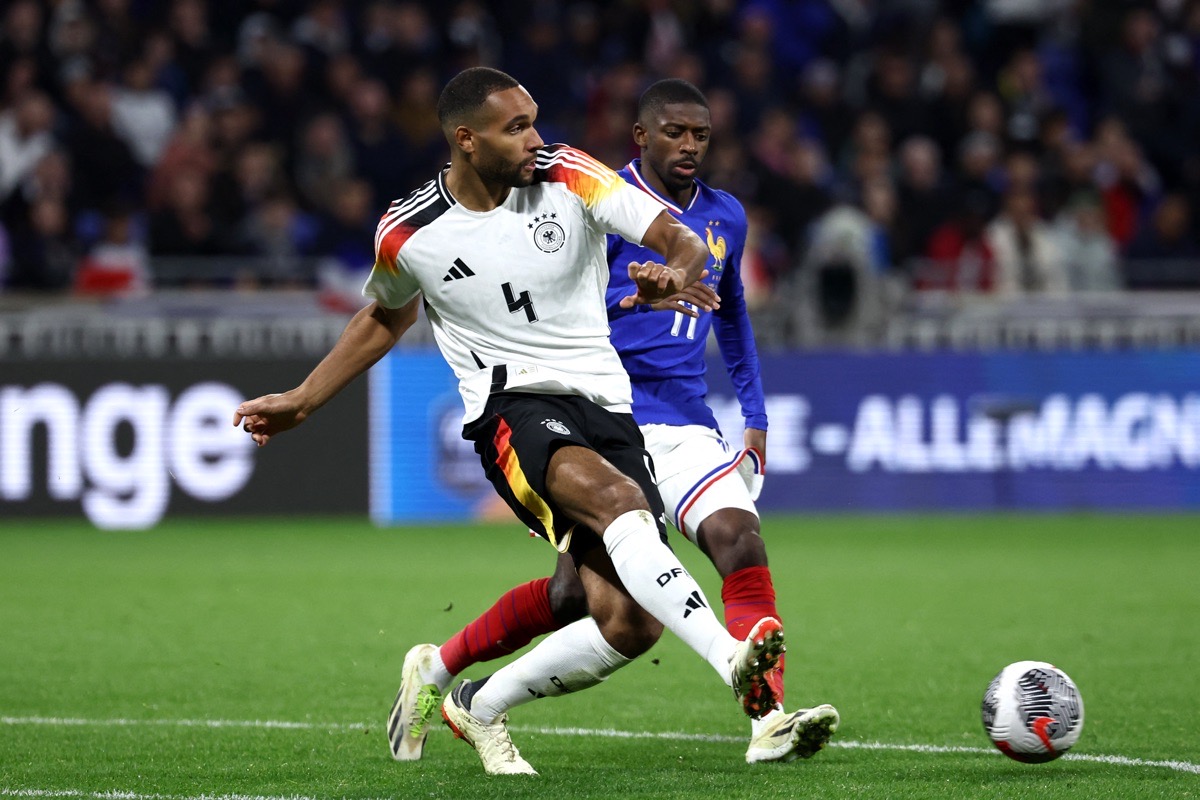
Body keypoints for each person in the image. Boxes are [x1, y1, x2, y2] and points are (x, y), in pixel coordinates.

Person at [234, 67, 787, 776]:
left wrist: (673, 271)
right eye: (515, 127)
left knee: (627, 620)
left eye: (533, 120)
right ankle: (732, 660)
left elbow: (675, 236)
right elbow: (386, 315)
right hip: (513, 412)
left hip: (606, 408)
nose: (535, 138)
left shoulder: (570, 176)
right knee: (619, 505)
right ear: (467, 141)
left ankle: (467, 695)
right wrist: (304, 400)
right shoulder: (410, 231)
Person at [386, 79, 839, 767]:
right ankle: (451, 677)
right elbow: (555, 309)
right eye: (676, 133)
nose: (689, 147)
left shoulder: (725, 217)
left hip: (681, 420)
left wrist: (754, 411)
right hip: (602, 406)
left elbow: (732, 310)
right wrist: (637, 300)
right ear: (642, 137)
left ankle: (766, 717)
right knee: (582, 597)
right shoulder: (590, 193)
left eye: (701, 136)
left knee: (735, 540)